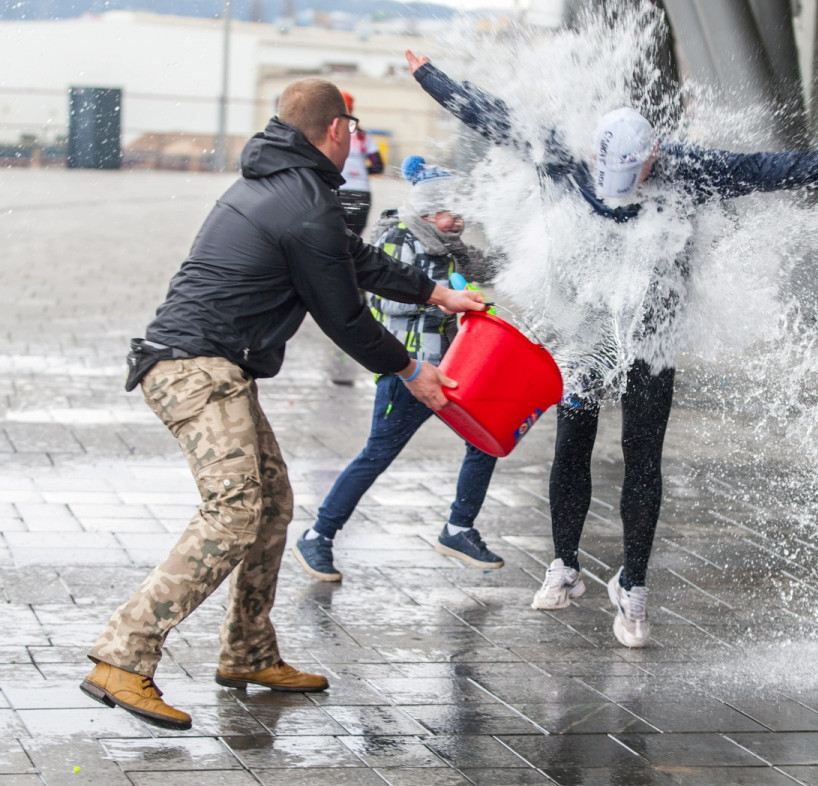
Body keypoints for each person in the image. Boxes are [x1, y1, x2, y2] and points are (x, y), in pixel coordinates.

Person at [405, 49, 818, 648]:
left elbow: (765, 168)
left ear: (653, 158)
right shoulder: (567, 153)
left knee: (643, 452)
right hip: (585, 318)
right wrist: (431, 77)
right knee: (573, 436)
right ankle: (565, 566)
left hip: (654, 326)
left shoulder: (686, 168)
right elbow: (496, 118)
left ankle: (632, 587)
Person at [79, 77, 487, 731]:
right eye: (352, 128)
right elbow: (344, 316)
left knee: (272, 502)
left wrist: (438, 297)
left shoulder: (289, 186)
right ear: (337, 131)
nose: (354, 140)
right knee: (235, 512)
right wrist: (413, 369)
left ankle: (248, 651)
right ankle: (123, 657)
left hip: (212, 366)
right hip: (196, 369)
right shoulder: (303, 200)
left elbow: (351, 259)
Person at [293, 155, 504, 581]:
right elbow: (381, 297)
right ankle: (318, 535)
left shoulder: (452, 247)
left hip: (452, 368)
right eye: (449, 213)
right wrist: (441, 296)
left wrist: (518, 256)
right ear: (427, 210)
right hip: (406, 372)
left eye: (462, 213)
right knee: (377, 455)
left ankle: (458, 528)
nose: (457, 221)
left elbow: (490, 268)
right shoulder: (397, 236)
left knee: (487, 441)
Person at [338, 90, 384, 237]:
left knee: (336, 237)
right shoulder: (364, 136)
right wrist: (360, 172)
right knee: (354, 239)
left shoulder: (330, 134)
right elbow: (378, 166)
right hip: (361, 192)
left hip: (338, 190)